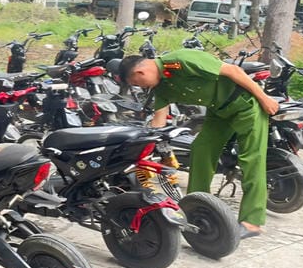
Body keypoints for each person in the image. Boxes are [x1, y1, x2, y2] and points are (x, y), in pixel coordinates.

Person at [118, 50, 279, 239]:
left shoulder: (180, 61)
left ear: (140, 73)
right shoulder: (161, 87)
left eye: (137, 84)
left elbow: (233, 71)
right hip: (218, 113)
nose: (140, 87)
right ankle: (197, 208)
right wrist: (142, 146)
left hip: (245, 107)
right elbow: (159, 120)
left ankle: (252, 222)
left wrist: (264, 98)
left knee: (251, 159)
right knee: (200, 150)